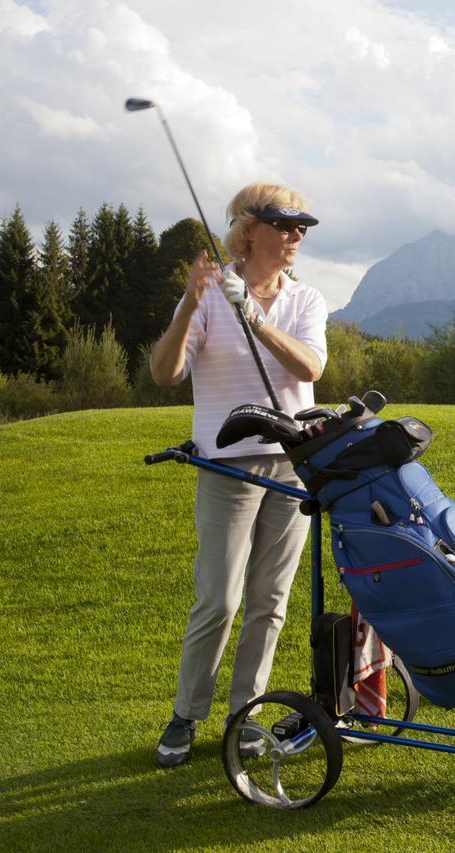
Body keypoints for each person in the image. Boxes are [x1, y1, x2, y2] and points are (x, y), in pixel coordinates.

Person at [148, 182, 329, 767]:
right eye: (285, 224)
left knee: (269, 600)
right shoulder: (206, 295)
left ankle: (244, 716)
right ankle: (186, 715)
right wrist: (190, 305)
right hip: (226, 466)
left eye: (303, 226)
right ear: (250, 229)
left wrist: (252, 316)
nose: (296, 234)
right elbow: (165, 374)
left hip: (293, 463)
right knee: (219, 600)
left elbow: (310, 365)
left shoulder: (307, 301)